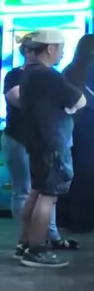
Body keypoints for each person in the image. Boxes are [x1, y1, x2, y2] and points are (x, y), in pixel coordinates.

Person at [7, 28, 87, 268]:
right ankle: (36, 250)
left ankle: (24, 245)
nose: (62, 53)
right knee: (48, 196)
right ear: (51, 48)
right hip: (53, 143)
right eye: (61, 48)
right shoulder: (48, 75)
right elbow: (79, 99)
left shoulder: (26, 74)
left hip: (36, 141)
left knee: (35, 192)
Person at [1, 39, 66, 256]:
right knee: (25, 191)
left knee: (44, 191)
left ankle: (48, 237)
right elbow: (19, 100)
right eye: (28, 50)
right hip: (18, 138)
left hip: (43, 141)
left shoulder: (51, 75)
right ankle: (29, 241)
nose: (32, 54)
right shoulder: (15, 75)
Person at [60, 33, 94, 233]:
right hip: (89, 125)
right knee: (88, 175)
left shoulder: (69, 70)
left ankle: (68, 219)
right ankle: (84, 221)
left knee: (73, 174)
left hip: (70, 127)